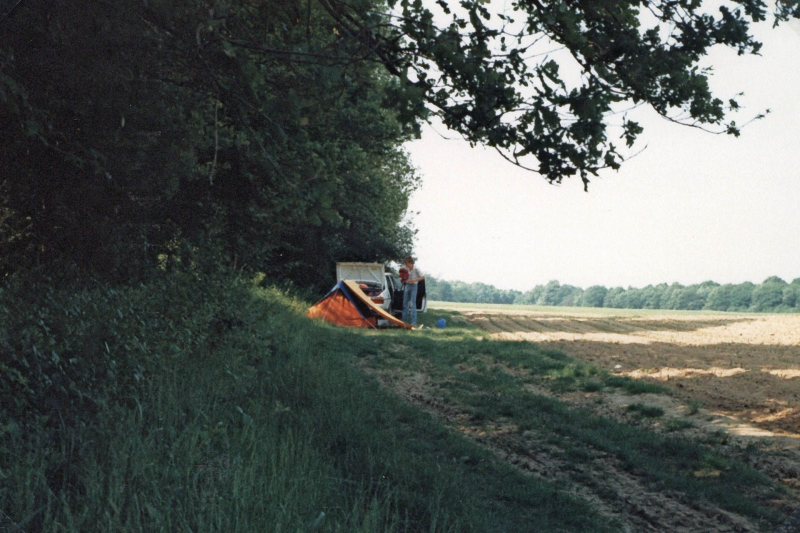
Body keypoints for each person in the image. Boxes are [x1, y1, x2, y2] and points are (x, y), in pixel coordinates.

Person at [401, 255, 425, 326]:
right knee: (405, 304)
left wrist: (415, 280)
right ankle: (404, 322)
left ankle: (413, 323)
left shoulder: (416, 268)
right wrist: (403, 278)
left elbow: (423, 277)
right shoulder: (405, 268)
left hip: (414, 286)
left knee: (413, 304)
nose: (406, 264)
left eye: (407, 263)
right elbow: (402, 276)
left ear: (410, 263)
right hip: (407, 285)